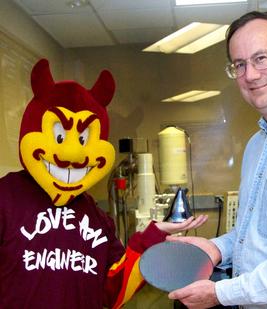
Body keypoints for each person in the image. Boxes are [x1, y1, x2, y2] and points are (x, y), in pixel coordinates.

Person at [0, 58, 208, 309]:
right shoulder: (6, 199)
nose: (72, 155)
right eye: (60, 136)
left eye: (84, 139)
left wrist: (151, 237)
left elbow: (115, 291)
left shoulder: (95, 217)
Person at [167, 11, 267, 308]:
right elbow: (258, 237)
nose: (250, 75)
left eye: (261, 58)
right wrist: (215, 248)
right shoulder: (258, 144)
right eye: (239, 65)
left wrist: (221, 293)